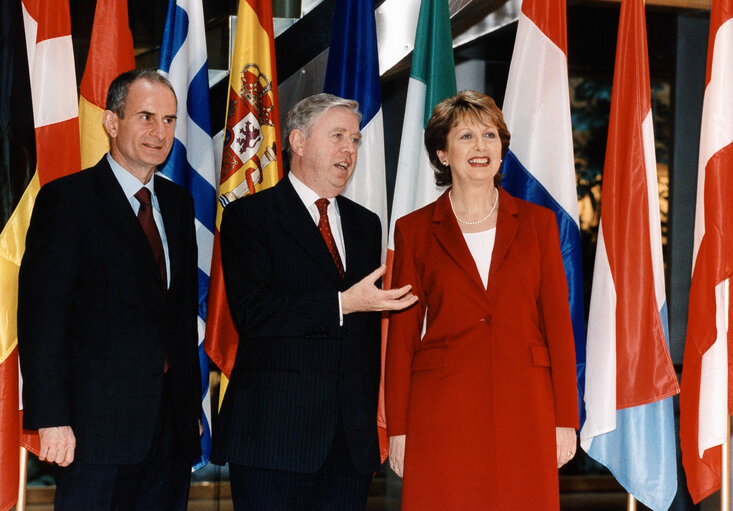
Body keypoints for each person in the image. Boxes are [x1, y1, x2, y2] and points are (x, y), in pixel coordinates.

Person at [211, 93, 417, 510]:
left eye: (356, 140)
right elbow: (255, 314)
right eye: (337, 136)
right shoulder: (249, 217)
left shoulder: (365, 224)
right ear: (298, 142)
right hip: (273, 442)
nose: (349, 149)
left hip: (348, 446)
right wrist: (342, 304)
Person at [385, 90, 579, 510]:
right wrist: (397, 429)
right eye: (466, 136)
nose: (481, 147)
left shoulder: (539, 224)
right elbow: (401, 339)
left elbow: (559, 329)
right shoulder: (414, 230)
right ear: (442, 153)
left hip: (525, 404)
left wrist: (566, 419)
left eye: (490, 136)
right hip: (442, 410)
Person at [18, 69, 202, 511]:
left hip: (170, 429)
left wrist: (188, 405)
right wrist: (52, 419)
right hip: (93, 432)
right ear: (111, 122)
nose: (160, 133)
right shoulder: (68, 201)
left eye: (170, 120)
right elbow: (43, 319)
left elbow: (176, 316)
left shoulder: (178, 205)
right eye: (145, 116)